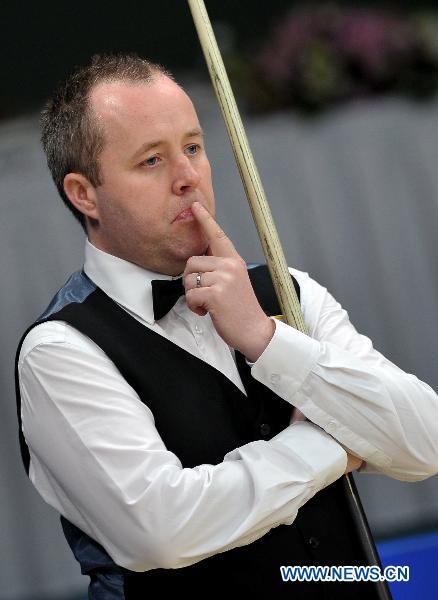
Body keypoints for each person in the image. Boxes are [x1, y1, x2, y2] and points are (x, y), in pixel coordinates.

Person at [15, 54, 438, 598]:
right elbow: (162, 531)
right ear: (84, 194)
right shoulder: (59, 350)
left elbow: (425, 443)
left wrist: (267, 341)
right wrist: (332, 444)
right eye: (151, 161)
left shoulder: (288, 290)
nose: (188, 177)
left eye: (193, 147)